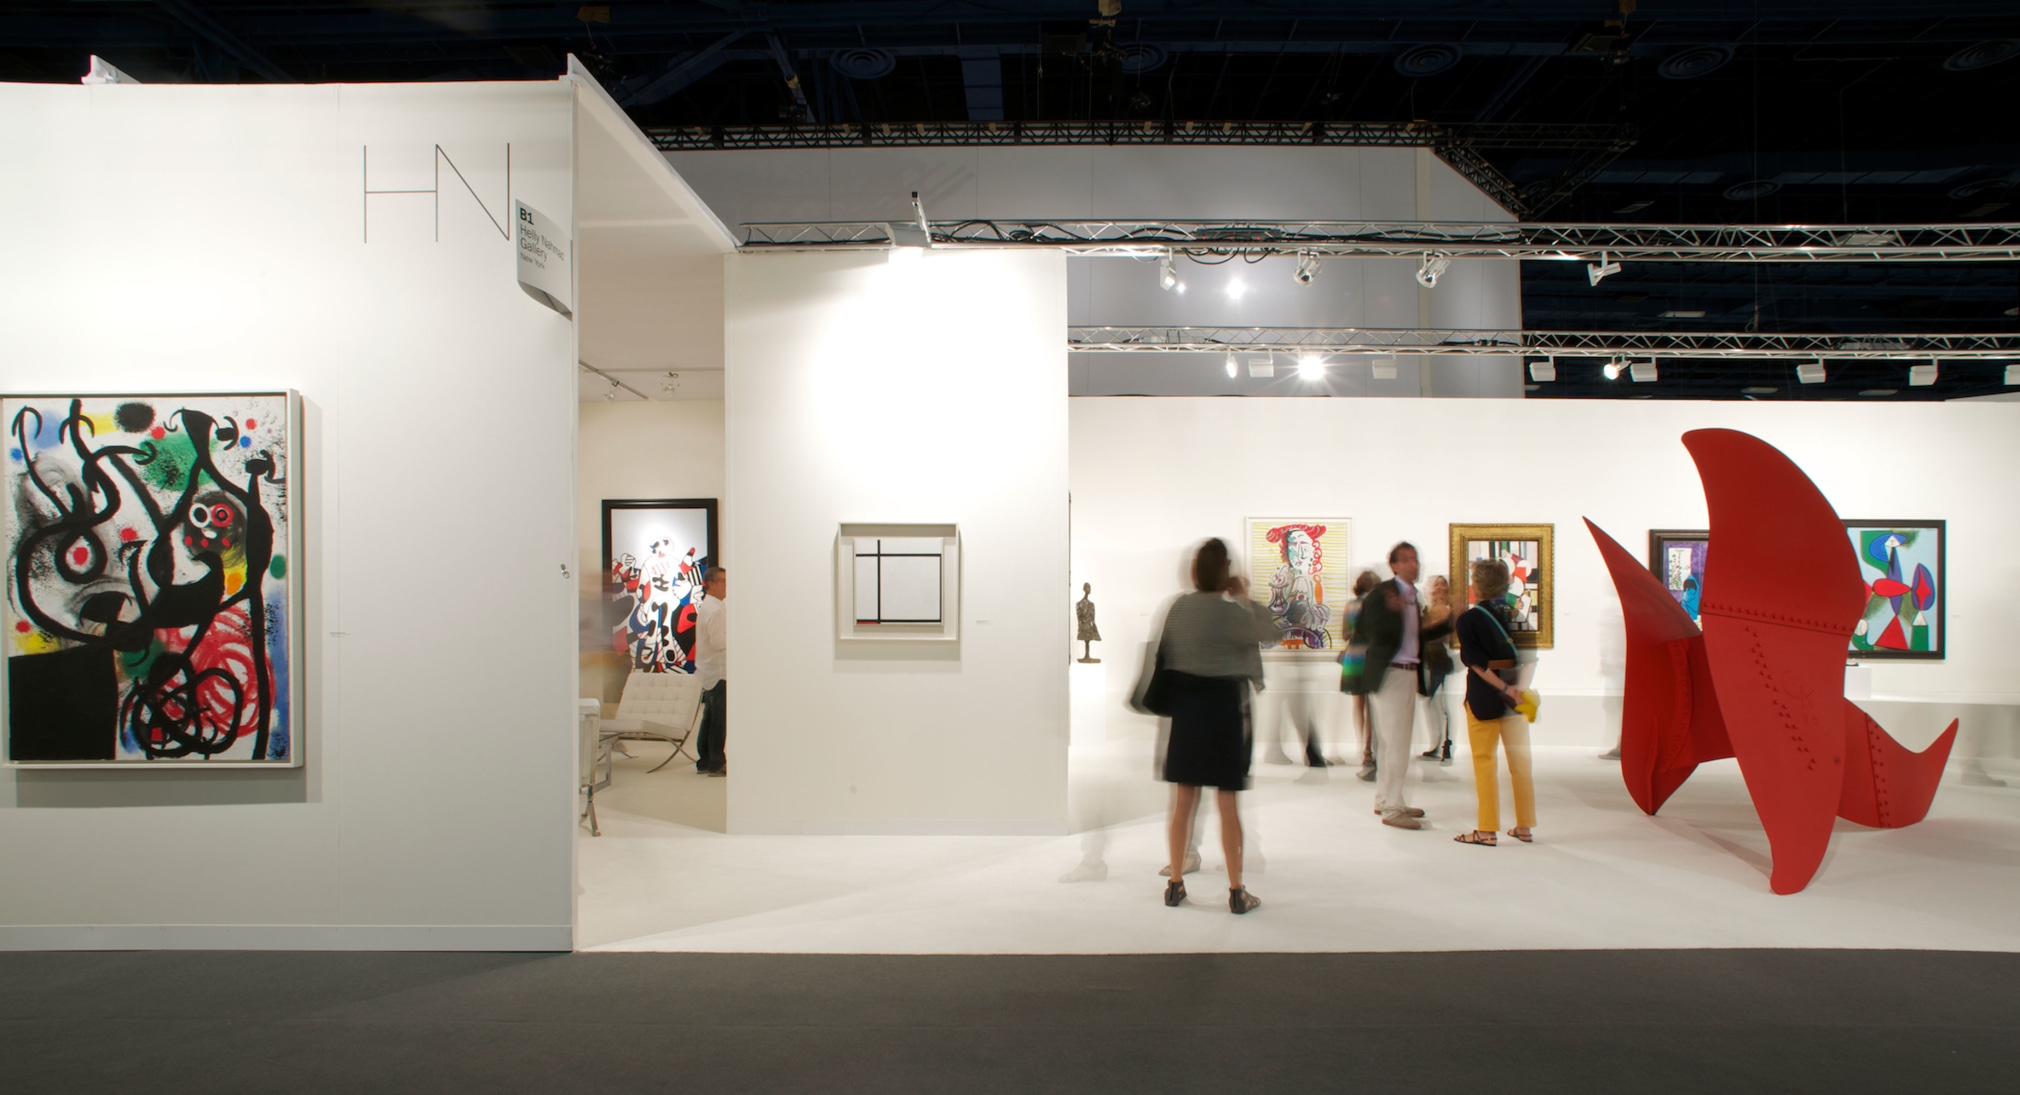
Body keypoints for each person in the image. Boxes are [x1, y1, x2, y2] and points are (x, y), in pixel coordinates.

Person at [1155, 538, 1276, 914]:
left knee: (1183, 802)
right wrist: (1243, 598)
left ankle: (1175, 883)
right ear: (1225, 570)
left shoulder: (1180, 607)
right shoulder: (1232, 612)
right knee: (1227, 803)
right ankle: (1237, 891)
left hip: (1188, 711)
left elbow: (1167, 653)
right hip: (1224, 710)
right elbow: (1269, 632)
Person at [1349, 542, 1453, 829]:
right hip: (1390, 674)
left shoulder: (1411, 596)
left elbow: (1415, 634)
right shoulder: (1383, 594)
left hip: (1406, 672)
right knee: (1396, 743)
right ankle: (1392, 808)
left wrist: (1448, 623)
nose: (1413, 564)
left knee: (1391, 743)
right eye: (1406, 560)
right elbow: (1367, 629)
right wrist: (1392, 614)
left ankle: (1386, 799)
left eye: (1415, 559)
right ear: (1393, 565)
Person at [1453, 558, 1537, 846]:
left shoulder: (1469, 619)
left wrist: (1503, 687)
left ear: (1477, 585)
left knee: (1484, 762)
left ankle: (1487, 830)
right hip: (1515, 699)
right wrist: (1518, 690)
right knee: (1521, 763)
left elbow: (1477, 664)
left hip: (1483, 697)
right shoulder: (1516, 614)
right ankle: (1525, 826)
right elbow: (1530, 658)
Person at [1340, 569, 1381, 778]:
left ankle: (1361, 744)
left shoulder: (1351, 605)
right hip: (1370, 657)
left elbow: (1344, 634)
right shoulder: (1375, 605)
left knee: (1358, 704)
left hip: (1353, 657)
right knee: (1372, 706)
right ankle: (1368, 748)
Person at [1417, 575, 1457, 765]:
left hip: (1439, 660)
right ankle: (1441, 744)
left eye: (1443, 585)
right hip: (1432, 660)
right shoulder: (1433, 609)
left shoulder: (1442, 610)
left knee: (1436, 703)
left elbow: (1444, 635)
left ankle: (1441, 744)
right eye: (1437, 585)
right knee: (1435, 703)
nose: (1440, 588)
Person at [693, 565, 728, 776]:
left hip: (709, 670)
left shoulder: (710, 606)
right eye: (723, 581)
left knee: (709, 717)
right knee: (718, 720)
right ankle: (716, 762)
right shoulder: (715, 610)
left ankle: (705, 760)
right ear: (711, 584)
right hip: (717, 671)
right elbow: (718, 642)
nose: (726, 586)